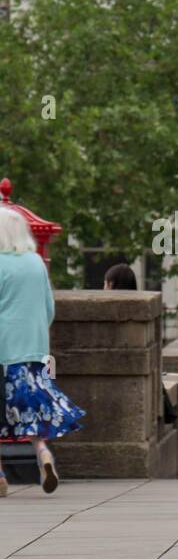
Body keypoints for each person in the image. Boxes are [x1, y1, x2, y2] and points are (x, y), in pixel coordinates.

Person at [0, 207, 85, 496]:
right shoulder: (36, 263)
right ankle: (43, 453)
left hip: (4, 350)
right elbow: (49, 308)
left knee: (3, 412)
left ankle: (0, 476)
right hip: (34, 351)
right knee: (32, 411)